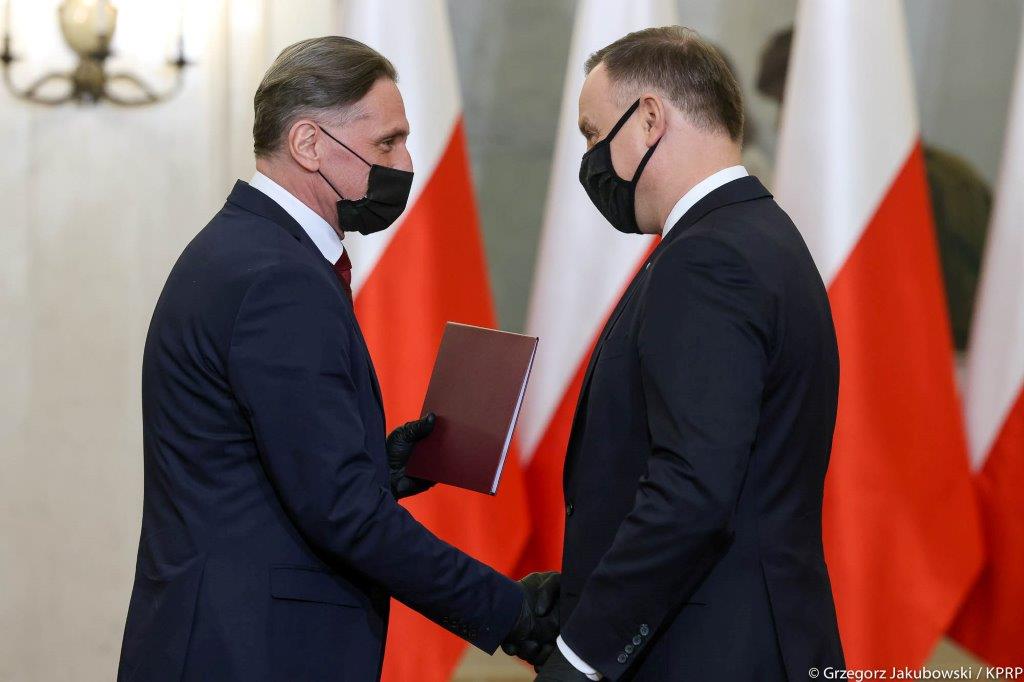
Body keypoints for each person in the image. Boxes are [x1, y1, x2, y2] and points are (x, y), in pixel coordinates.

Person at [117, 36, 557, 682]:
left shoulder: (246, 250)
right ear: (308, 143)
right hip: (252, 655)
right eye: (387, 143)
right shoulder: (278, 278)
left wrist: (378, 469)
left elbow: (258, 469)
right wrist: (510, 613)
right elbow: (341, 513)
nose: (406, 162)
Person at [535, 26, 845, 680]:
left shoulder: (707, 258)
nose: (588, 158)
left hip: (708, 652)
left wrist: (583, 653)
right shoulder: (759, 233)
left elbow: (692, 492)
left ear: (649, 118)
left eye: (593, 133)